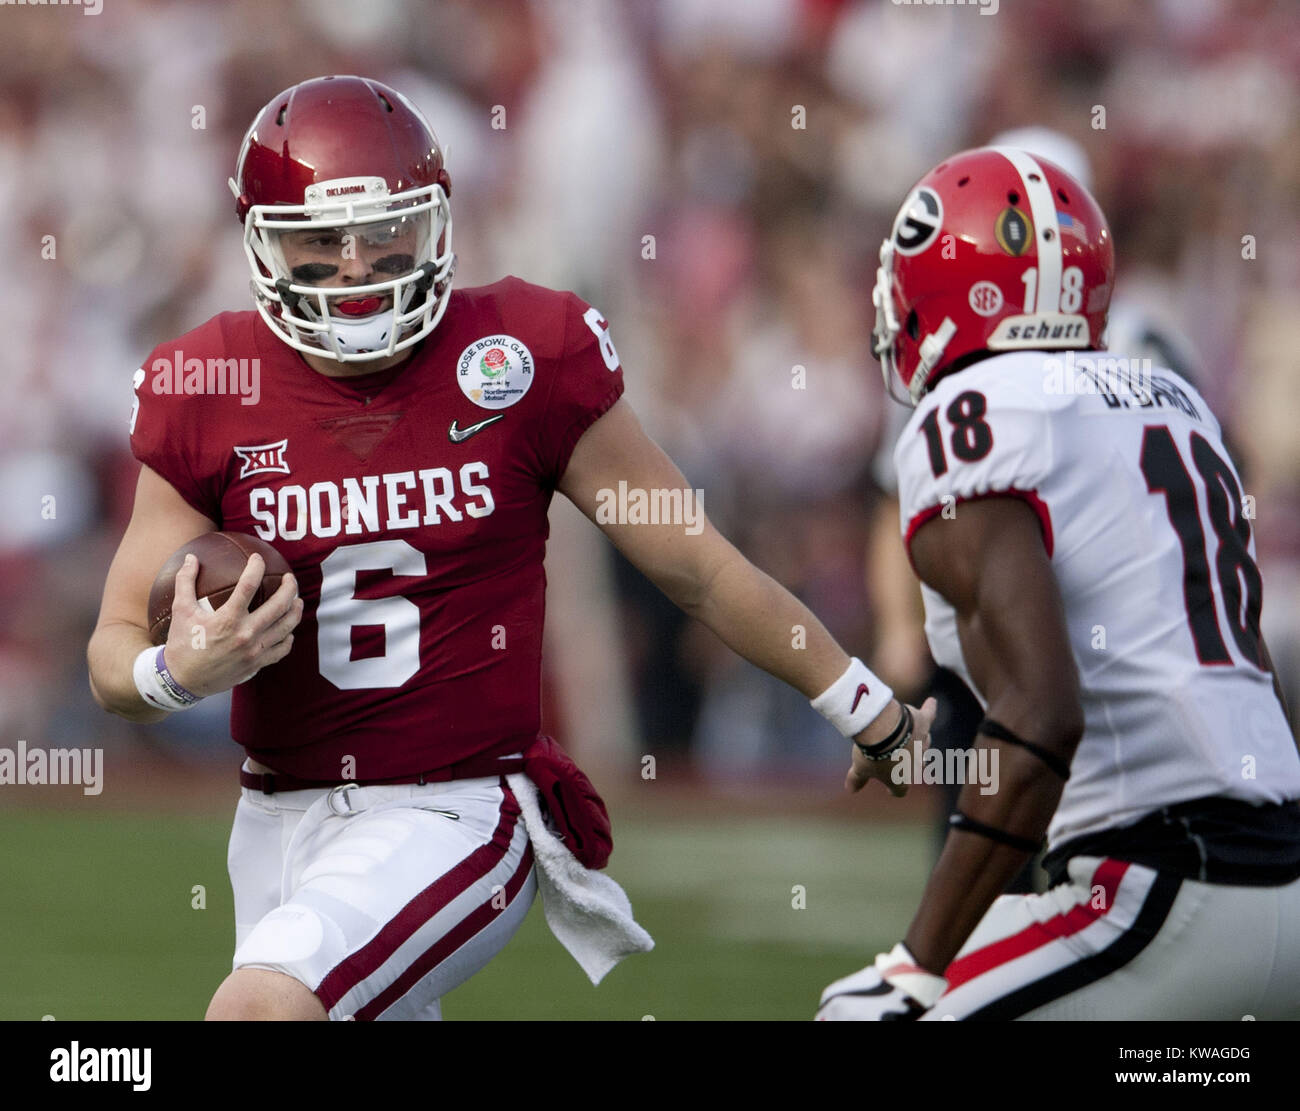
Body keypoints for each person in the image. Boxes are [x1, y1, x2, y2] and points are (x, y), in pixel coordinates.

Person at [86, 75, 933, 1021]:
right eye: (322, 242)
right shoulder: (211, 381)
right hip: (273, 820)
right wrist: (179, 669)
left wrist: (865, 703)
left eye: (387, 233)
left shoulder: (522, 353)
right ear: (263, 244)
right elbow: (113, 648)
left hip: (454, 807)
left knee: (258, 1012)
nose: (359, 267)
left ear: (438, 224)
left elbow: (697, 563)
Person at [818, 146, 1300, 1020]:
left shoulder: (971, 415)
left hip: (1164, 885)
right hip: (1279, 879)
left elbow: (1044, 717)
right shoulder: (1174, 398)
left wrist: (916, 964)